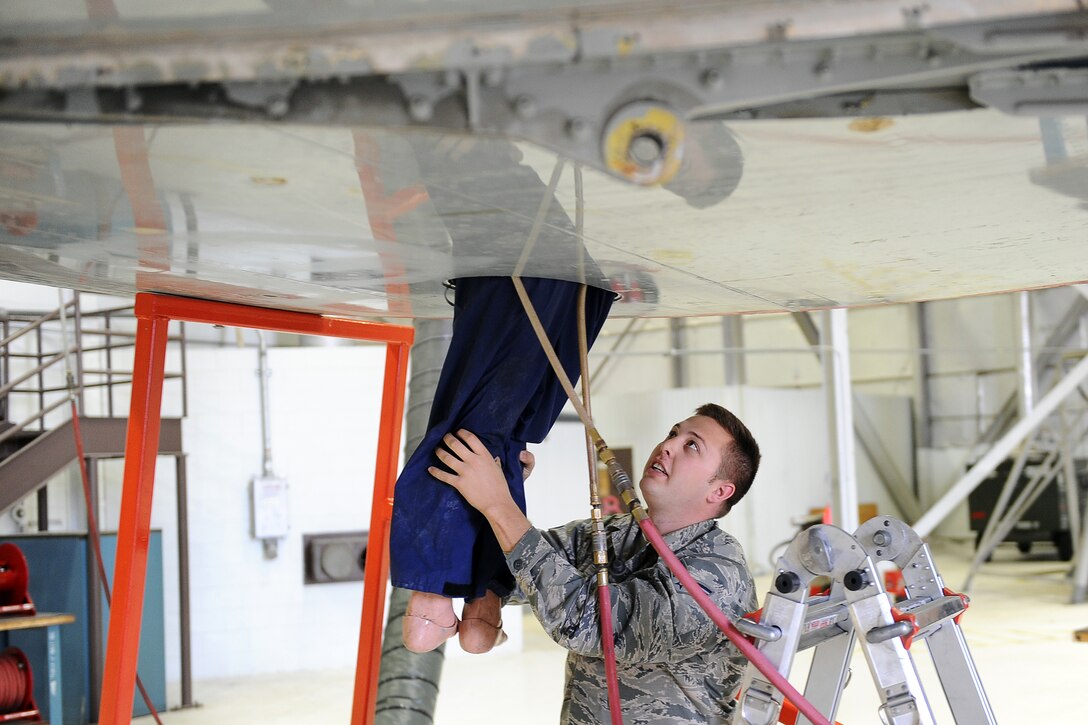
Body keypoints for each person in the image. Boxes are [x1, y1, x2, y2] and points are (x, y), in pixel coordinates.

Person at [428, 403, 761, 724]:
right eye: (673, 433)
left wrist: (499, 504)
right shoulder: (617, 532)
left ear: (719, 491)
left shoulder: (717, 575)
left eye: (691, 445)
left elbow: (587, 622)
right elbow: (517, 571)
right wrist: (504, 490)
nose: (668, 445)